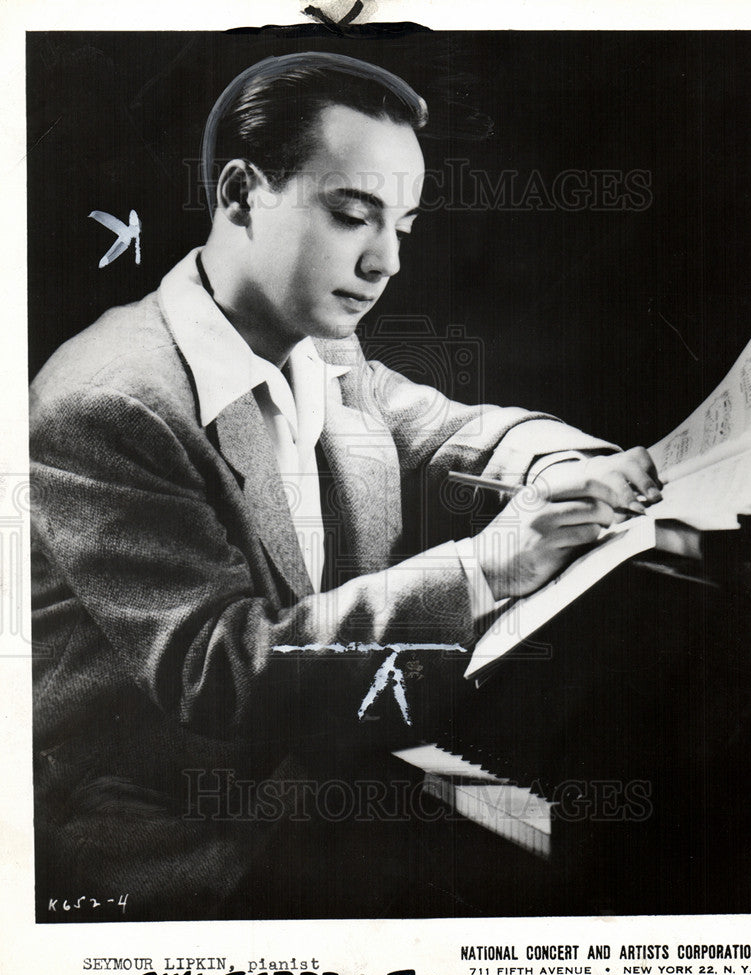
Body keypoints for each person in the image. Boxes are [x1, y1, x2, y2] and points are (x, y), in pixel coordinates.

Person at [30, 52, 661, 920]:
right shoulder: (108, 402)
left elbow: (440, 426)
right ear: (242, 193)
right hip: (165, 845)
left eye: (402, 223)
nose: (386, 261)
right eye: (353, 216)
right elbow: (223, 670)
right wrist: (488, 566)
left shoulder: (313, 343)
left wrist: (562, 463)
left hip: (318, 778)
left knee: (591, 863)